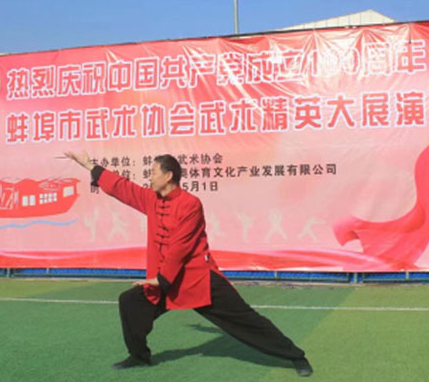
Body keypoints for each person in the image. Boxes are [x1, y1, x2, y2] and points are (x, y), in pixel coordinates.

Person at [63, 151, 313, 377]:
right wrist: (89, 165)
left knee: (245, 319)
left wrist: (160, 280)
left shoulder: (190, 204)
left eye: (153, 172)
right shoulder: (151, 199)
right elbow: (123, 187)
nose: (150, 177)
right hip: (164, 280)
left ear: (168, 175)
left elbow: (180, 247)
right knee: (131, 302)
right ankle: (139, 356)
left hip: (196, 279)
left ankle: (296, 356)